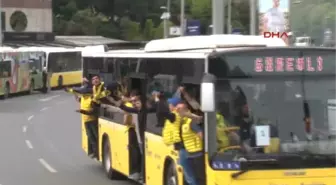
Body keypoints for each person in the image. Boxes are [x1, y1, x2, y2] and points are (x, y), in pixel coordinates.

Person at [65, 82, 98, 158]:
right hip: (86, 121)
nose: (83, 93)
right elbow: (77, 98)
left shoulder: (92, 99)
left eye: (85, 92)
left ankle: (96, 152)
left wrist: (82, 111)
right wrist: (72, 91)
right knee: (90, 137)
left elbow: (93, 111)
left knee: (95, 137)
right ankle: (94, 152)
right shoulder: (83, 98)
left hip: (92, 121)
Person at [178, 103, 205, 185]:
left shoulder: (191, 122)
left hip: (197, 154)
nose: (178, 112)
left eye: (180, 110)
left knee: (199, 177)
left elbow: (200, 134)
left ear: (185, 110)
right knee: (191, 175)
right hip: (190, 153)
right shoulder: (184, 121)